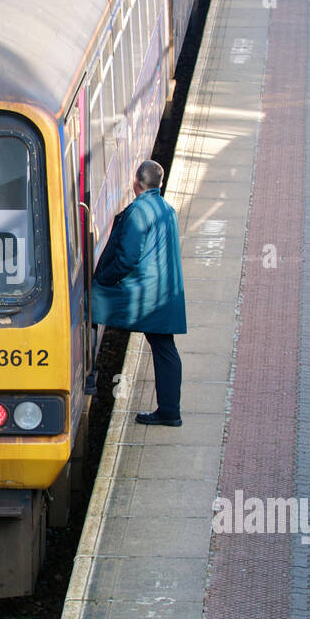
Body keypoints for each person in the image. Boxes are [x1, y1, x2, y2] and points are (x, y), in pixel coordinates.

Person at [91, 159, 187, 426]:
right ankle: (170, 410)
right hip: (165, 292)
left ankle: (87, 372)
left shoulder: (138, 212)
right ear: (160, 183)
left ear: (136, 182)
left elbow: (127, 258)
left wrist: (103, 279)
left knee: (92, 301)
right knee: (165, 348)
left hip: (147, 295)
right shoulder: (167, 209)